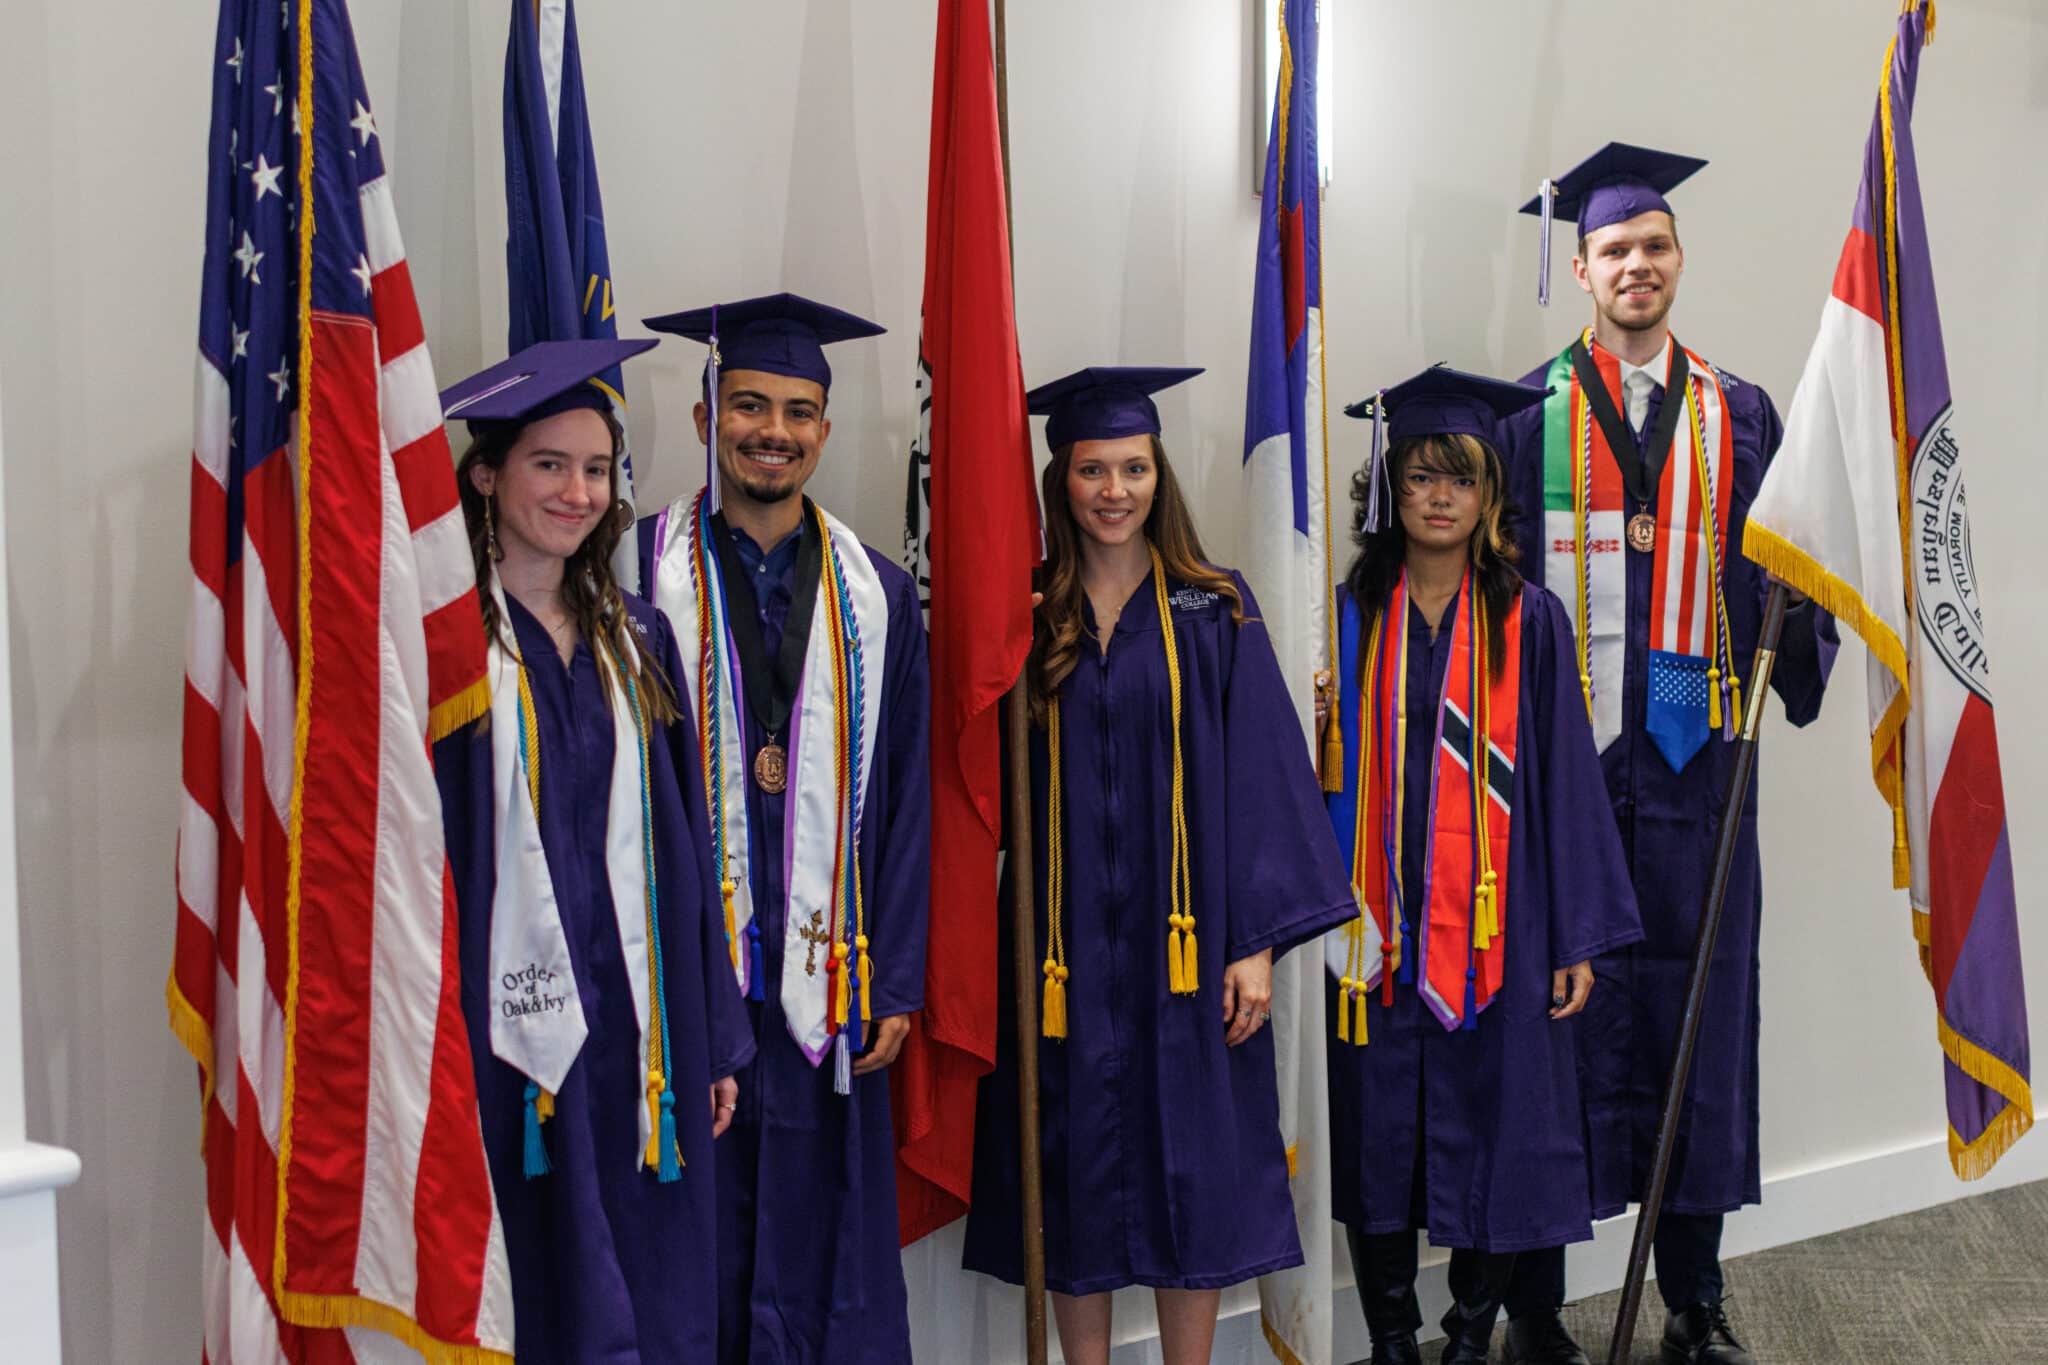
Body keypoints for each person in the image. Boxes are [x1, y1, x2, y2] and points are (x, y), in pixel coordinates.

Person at [1495, 145, 1838, 1365]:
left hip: (1695, 764)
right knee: (1553, 1033)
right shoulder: (1519, 418)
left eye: (1653, 247)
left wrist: (1793, 657)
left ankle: (1694, 1297)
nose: (1633, 267)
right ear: (1578, 269)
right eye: (1612, 250)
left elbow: (1788, 570)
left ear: (1675, 261)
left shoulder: (1736, 411)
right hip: (1564, 773)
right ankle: (1533, 1307)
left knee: (1702, 1023)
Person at [961, 367, 1356, 1365]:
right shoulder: (1027, 617)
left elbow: (1266, 780)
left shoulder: (1212, 609)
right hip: (1060, 961)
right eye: (1091, 467)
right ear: (1061, 479)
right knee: (1071, 1168)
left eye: (1132, 466)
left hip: (1188, 955)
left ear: (1157, 474)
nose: (1113, 489)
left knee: (1199, 1174)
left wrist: (1255, 946)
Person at [433, 338, 755, 1363]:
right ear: (486, 475)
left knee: (651, 1270)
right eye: (547, 464)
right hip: (500, 1031)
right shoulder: (442, 652)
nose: (577, 492)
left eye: (595, 468)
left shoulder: (637, 638)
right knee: (528, 1275)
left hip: (638, 1032)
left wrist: (707, 1034)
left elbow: (683, 851)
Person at [1323, 366, 1642, 1365]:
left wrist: (1576, 934)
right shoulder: (1341, 620)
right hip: (1368, 932)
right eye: (1418, 476)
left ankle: (1468, 1337)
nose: (1437, 497)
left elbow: (1560, 785)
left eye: (1458, 478)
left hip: (1499, 929)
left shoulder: (1526, 622)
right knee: (1375, 1136)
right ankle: (1390, 1342)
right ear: (1388, 491)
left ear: (1487, 494)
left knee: (1500, 1135)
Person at [637, 293, 931, 1365]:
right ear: (708, 413)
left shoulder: (879, 599)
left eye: (799, 411)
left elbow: (904, 800)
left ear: (823, 426)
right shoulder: (634, 576)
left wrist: (895, 972)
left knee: (823, 1253)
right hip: (681, 988)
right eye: (751, 404)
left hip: (827, 983)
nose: (775, 429)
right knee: (690, 1246)